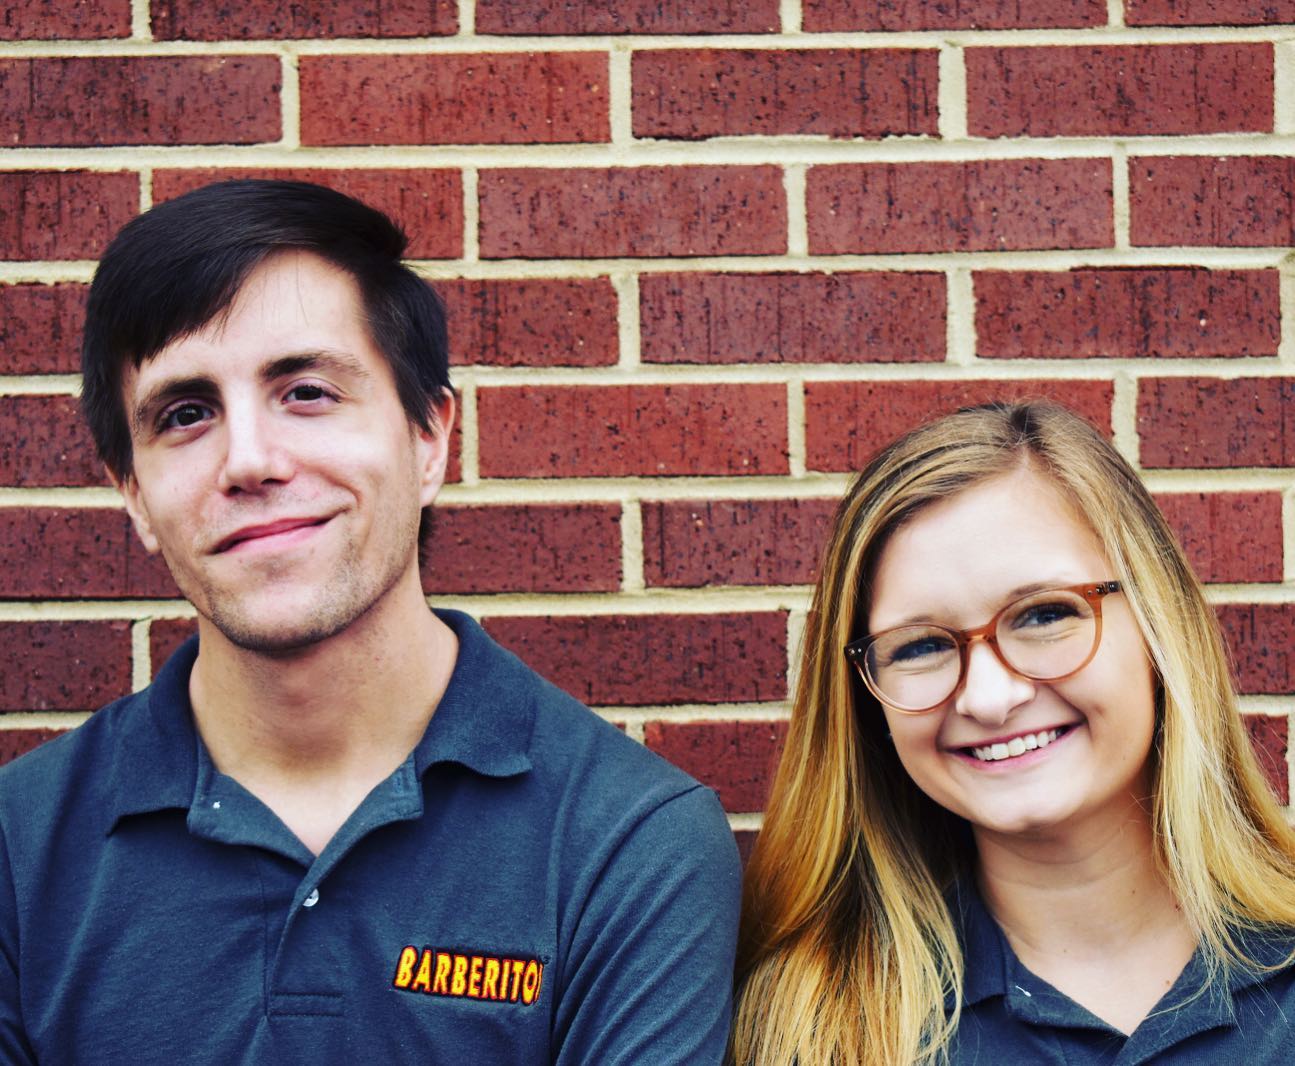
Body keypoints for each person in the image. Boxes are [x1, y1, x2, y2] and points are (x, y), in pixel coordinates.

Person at [0, 179, 740, 1064]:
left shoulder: (626, 840)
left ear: (429, 439)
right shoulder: (17, 848)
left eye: (307, 391)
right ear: (134, 496)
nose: (249, 460)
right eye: (186, 415)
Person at [732, 401, 1295, 1065]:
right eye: (918, 647)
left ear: (1157, 622)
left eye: (1042, 615)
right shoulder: (812, 1030)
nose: (989, 698)